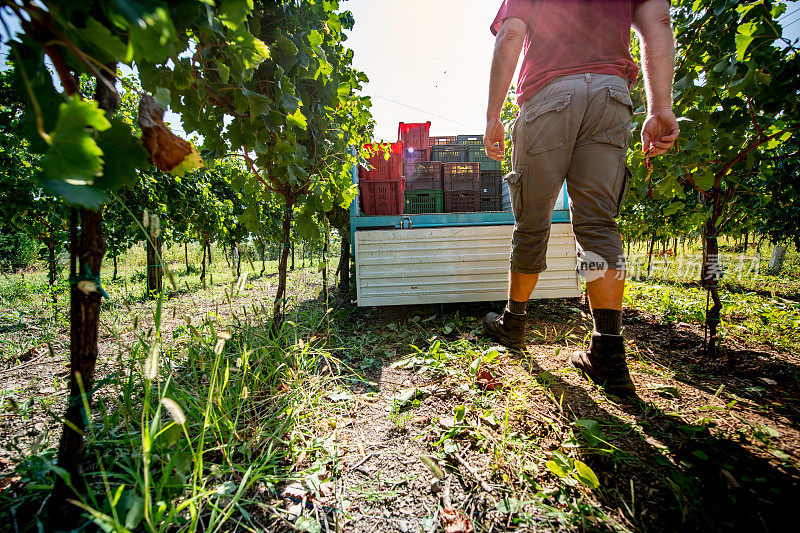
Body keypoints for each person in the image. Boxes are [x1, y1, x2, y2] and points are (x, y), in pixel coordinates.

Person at [482, 0, 679, 396]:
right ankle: (608, 349)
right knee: (599, 225)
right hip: (611, 94)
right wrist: (660, 107)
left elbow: (511, 33)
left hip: (548, 96)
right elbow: (656, 22)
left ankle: (514, 322)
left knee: (531, 221)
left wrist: (492, 116)